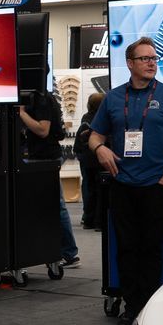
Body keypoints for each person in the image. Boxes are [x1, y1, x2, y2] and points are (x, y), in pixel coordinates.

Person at [88, 38, 163, 325]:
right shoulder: (113, 98)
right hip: (122, 185)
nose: (151, 63)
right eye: (144, 58)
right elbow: (94, 136)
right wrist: (100, 148)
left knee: (151, 250)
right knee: (126, 248)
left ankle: (146, 309)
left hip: (155, 187)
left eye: (154, 58)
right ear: (130, 63)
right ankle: (130, 306)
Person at [18, 88, 79, 267]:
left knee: (56, 205)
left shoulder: (41, 98)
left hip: (45, 157)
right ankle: (59, 252)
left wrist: (21, 113)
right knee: (45, 206)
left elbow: (43, 130)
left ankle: (69, 253)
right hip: (37, 156)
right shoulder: (36, 97)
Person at [75, 90, 106, 231]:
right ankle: (99, 222)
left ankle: (88, 220)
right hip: (100, 159)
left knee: (88, 189)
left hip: (86, 160)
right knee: (101, 191)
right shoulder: (105, 119)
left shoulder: (85, 118)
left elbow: (78, 142)